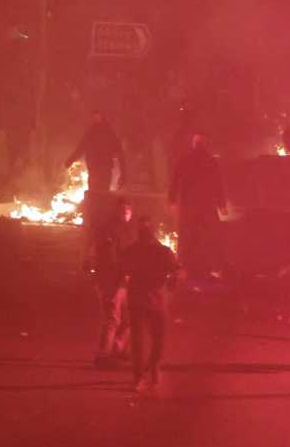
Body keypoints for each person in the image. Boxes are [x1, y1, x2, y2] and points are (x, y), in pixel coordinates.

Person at [122, 218, 180, 391]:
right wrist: (171, 285)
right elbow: (176, 271)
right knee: (157, 339)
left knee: (138, 341)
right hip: (156, 300)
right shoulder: (163, 251)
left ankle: (140, 377)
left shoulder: (131, 250)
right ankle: (152, 369)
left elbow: (122, 270)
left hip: (137, 299)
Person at [169, 132, 228, 276]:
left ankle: (184, 265)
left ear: (193, 145)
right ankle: (214, 266)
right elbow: (218, 184)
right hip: (206, 205)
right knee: (211, 235)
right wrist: (221, 204)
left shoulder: (185, 160)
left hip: (189, 206)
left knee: (187, 235)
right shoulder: (210, 161)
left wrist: (172, 200)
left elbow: (175, 181)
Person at [89, 197, 138, 364]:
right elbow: (110, 258)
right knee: (112, 318)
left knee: (128, 318)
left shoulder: (129, 231)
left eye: (128, 210)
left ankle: (117, 348)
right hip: (111, 280)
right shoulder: (110, 230)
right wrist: (122, 275)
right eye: (123, 210)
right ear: (116, 211)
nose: (126, 213)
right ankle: (103, 355)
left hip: (124, 281)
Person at [63, 111, 125, 198]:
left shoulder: (109, 133)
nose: (96, 118)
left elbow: (120, 153)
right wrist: (70, 160)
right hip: (94, 168)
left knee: (103, 193)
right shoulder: (91, 133)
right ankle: (93, 210)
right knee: (93, 193)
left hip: (105, 169)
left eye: (98, 116)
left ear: (103, 117)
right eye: (95, 116)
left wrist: (123, 173)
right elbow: (80, 148)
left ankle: (101, 210)